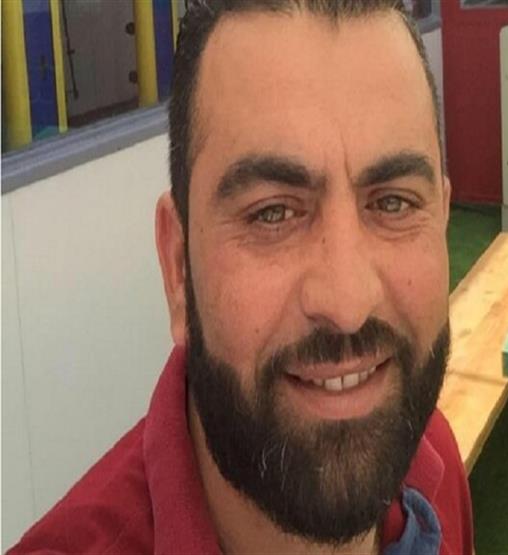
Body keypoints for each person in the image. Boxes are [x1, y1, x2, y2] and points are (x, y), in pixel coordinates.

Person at [10, 0, 473, 553]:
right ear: (178, 268)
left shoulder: (426, 453)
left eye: (394, 203)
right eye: (272, 213)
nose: (348, 303)